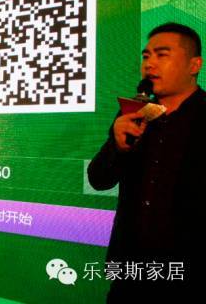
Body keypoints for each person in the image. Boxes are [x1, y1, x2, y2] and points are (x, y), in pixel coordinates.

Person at [88, 22, 204, 302]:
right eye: (146, 56)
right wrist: (117, 146)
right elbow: (99, 179)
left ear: (194, 65)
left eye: (162, 55)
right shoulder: (133, 112)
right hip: (129, 274)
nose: (149, 64)